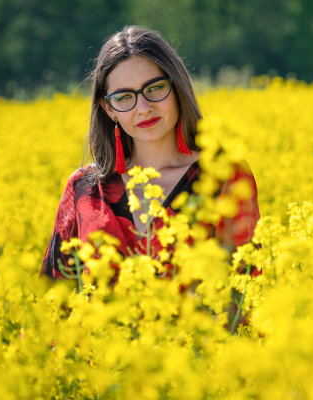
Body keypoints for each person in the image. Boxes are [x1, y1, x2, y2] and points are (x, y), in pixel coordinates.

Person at [41, 25, 260, 280]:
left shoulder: (225, 177)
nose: (143, 108)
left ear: (177, 88)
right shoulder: (84, 188)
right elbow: (52, 302)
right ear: (108, 108)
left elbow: (244, 290)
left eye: (154, 88)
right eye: (123, 97)